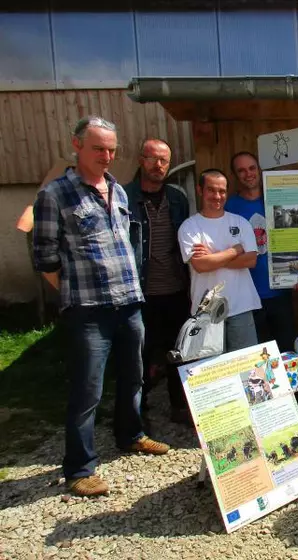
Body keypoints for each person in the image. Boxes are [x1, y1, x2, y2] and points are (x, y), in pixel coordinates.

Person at [32, 116, 170, 498]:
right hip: (88, 310)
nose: (106, 156)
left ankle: (131, 434)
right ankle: (79, 467)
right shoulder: (55, 195)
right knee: (88, 389)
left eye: (111, 149)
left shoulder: (118, 192)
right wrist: (74, 292)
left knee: (134, 377)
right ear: (76, 146)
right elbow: (44, 258)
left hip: (128, 303)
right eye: (98, 148)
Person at [125, 139, 191, 424]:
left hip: (176, 289)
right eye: (153, 159)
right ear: (141, 160)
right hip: (140, 291)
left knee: (179, 352)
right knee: (138, 354)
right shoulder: (123, 197)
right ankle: (136, 413)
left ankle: (179, 406)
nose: (159, 165)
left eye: (164, 160)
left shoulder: (177, 199)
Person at [178, 169, 261, 352]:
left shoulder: (240, 223)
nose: (217, 196)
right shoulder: (190, 226)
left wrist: (213, 256)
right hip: (206, 312)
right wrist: (236, 249)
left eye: (222, 191)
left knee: (247, 368)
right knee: (211, 372)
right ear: (200, 191)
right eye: (211, 190)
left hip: (241, 306)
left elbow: (250, 260)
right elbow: (200, 265)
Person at [225, 152, 297, 352]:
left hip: (280, 292)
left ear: (259, 169)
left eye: (251, 168)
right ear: (235, 175)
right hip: (247, 296)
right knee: (256, 357)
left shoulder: (279, 198)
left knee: (286, 352)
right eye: (241, 170)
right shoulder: (230, 207)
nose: (248, 174)